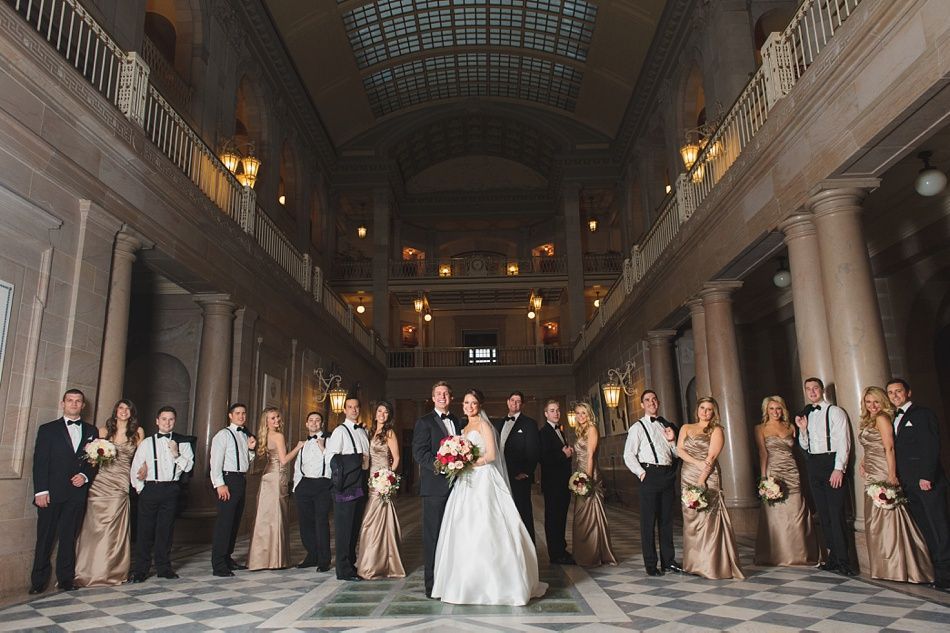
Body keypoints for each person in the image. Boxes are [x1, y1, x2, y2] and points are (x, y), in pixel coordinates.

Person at [431, 388, 547, 605]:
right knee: (463, 527)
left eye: (473, 403)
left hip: (484, 479)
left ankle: (499, 583)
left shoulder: (484, 425)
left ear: (479, 405)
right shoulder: (463, 428)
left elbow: (492, 455)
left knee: (488, 524)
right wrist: (456, 462)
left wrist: (467, 463)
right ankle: (464, 582)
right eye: (466, 403)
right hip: (465, 483)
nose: (469, 406)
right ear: (462, 405)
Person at [858, 386, 933, 583]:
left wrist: (892, 475)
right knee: (876, 519)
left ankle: (901, 567)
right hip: (872, 471)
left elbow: (889, 448)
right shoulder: (869, 419)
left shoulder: (882, 418)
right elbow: (869, 445)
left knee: (889, 515)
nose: (872, 406)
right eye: (868, 402)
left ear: (883, 402)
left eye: (876, 401)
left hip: (883, 469)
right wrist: (864, 461)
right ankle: (885, 566)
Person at [29, 389, 99, 594]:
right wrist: (40, 491)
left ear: (83, 406)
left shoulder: (91, 431)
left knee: (69, 537)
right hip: (50, 493)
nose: (74, 404)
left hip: (76, 494)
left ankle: (66, 579)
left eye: (78, 401)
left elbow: (94, 462)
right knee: (45, 537)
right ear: (63, 403)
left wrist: (85, 476)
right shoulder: (48, 429)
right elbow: (40, 463)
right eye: (70, 400)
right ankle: (38, 581)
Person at [887, 378, 950, 591]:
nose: (895, 395)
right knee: (926, 527)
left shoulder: (923, 413)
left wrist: (927, 476)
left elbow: (931, 445)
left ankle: (946, 574)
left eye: (898, 391)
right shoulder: (893, 418)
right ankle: (938, 573)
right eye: (891, 392)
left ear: (908, 392)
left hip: (926, 481)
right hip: (908, 482)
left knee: (938, 526)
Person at [73, 399, 144, 587]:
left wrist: (143, 472)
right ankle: (87, 570)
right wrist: (95, 458)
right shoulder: (103, 430)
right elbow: (92, 458)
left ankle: (112, 570)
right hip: (100, 482)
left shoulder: (138, 432)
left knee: (114, 528)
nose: (124, 411)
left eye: (128, 409)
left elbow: (142, 457)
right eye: (121, 408)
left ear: (132, 413)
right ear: (115, 410)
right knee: (93, 527)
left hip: (120, 483)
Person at [678, 397, 745, 579]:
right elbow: (679, 450)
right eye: (702, 408)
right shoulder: (685, 427)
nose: (705, 412)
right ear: (697, 409)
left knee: (708, 519)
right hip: (687, 474)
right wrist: (696, 463)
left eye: (709, 409)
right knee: (691, 518)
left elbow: (712, 456)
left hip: (707, 476)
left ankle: (711, 565)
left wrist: (701, 479)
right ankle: (694, 564)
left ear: (714, 412)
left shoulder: (716, 430)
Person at [794, 377, 855, 576]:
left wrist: (839, 469)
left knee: (836, 513)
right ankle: (833, 558)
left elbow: (843, 443)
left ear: (822, 390)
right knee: (824, 514)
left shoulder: (835, 412)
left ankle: (845, 561)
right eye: (808, 389)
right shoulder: (807, 415)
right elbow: (804, 446)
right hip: (814, 464)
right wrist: (802, 430)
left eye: (815, 388)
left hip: (831, 463)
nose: (812, 392)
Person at [128, 406, 194, 582]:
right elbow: (135, 467)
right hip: (150, 488)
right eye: (164, 419)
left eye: (171, 419)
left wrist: (176, 453)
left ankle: (164, 567)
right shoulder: (147, 443)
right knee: (145, 531)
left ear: (175, 421)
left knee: (165, 530)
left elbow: (188, 467)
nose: (167, 422)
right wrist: (142, 490)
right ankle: (141, 569)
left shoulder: (183, 443)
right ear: (157, 421)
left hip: (171, 489)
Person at [753, 395, 820, 567]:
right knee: (776, 512)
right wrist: (764, 478)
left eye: (778, 408)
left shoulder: (790, 427)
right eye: (771, 409)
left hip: (792, 470)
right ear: (766, 411)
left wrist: (803, 431)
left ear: (783, 410)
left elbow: (803, 446)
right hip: (773, 471)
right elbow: (763, 453)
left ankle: (801, 552)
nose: (775, 412)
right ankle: (777, 554)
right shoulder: (760, 428)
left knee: (796, 510)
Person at [412, 381, 463, 598]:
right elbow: (419, 453)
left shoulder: (458, 422)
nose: (442, 396)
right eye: (438, 394)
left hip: (459, 487)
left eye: (445, 393)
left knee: (455, 536)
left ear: (451, 397)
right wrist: (442, 465)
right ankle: (432, 586)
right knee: (433, 536)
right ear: (432, 398)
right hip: (434, 488)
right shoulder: (424, 422)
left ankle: (451, 582)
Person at [623, 390, 680, 576]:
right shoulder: (637, 427)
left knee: (666, 521)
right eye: (647, 400)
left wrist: (672, 441)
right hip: (649, 475)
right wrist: (641, 473)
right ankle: (650, 564)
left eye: (654, 399)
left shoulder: (668, 425)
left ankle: (668, 561)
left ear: (658, 402)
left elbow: (676, 454)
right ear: (642, 405)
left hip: (667, 474)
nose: (651, 402)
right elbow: (628, 455)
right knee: (648, 522)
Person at [247, 408, 304, 570]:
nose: (276, 420)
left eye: (277, 416)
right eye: (272, 418)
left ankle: (259, 559)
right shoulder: (278, 436)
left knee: (264, 516)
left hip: (267, 476)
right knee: (277, 515)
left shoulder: (265, 436)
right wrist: (298, 447)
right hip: (276, 476)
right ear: (266, 421)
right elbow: (284, 460)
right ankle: (275, 560)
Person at [356, 400, 406, 579]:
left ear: (389, 415)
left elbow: (397, 457)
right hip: (370, 479)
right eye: (379, 411)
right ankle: (372, 560)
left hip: (382, 481)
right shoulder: (369, 431)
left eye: (385, 412)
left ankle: (375, 564)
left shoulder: (389, 433)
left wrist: (388, 479)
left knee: (371, 521)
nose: (382, 414)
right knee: (371, 522)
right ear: (375, 413)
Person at [210, 403, 257, 577]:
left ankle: (228, 558)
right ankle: (218, 563)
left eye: (244, 413)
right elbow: (215, 462)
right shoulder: (223, 435)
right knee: (225, 523)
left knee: (235, 521)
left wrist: (251, 450)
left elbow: (246, 462)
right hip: (227, 480)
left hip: (240, 479)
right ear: (230, 416)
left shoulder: (245, 435)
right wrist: (220, 484)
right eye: (237, 413)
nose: (241, 416)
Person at [325, 396, 370, 581]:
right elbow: (330, 458)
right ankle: (343, 570)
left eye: (356, 407)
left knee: (354, 527)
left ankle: (351, 564)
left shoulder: (362, 432)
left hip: (359, 485)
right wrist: (357, 460)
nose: (353, 410)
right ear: (344, 410)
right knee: (344, 528)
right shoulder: (339, 431)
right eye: (350, 407)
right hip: (345, 488)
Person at [571, 402, 617, 567]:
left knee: (590, 513)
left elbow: (590, 456)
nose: (581, 416)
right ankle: (584, 552)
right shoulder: (580, 430)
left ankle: (594, 554)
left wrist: (587, 479)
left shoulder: (592, 429)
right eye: (578, 413)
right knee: (581, 515)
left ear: (589, 414)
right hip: (580, 473)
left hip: (589, 475)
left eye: (583, 413)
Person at [493, 391, 540, 541]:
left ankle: (529, 549)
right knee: (505, 513)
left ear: (522, 404)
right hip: (501, 475)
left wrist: (526, 472)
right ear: (508, 402)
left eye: (518, 401)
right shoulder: (499, 423)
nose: (515, 403)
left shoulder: (529, 423)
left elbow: (533, 450)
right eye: (512, 400)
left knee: (523, 513)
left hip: (519, 477)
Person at [293, 411, 331, 572]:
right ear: (306, 424)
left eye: (317, 420)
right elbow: (297, 466)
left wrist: (323, 448)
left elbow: (333, 461)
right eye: (311, 420)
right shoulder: (304, 443)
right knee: (305, 523)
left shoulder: (329, 440)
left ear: (321, 424)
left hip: (323, 484)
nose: (314, 423)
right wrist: (296, 486)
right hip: (304, 484)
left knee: (321, 522)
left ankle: (324, 560)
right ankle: (312, 555)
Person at [538, 399, 575, 565]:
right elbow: (543, 458)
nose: (556, 413)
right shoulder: (544, 432)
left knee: (561, 517)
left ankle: (561, 549)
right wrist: (564, 455)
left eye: (558, 410)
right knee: (553, 518)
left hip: (562, 482)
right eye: (552, 410)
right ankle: (555, 554)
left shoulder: (560, 430)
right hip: (553, 484)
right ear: (546, 413)